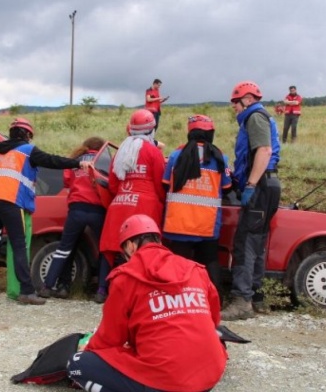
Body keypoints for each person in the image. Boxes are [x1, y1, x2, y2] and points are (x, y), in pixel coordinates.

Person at [67, 214, 227, 392]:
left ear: (130, 245)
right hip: (208, 377)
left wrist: (88, 349)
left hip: (168, 381)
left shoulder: (126, 277)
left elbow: (110, 338)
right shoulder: (195, 269)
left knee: (77, 364)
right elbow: (213, 319)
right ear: (158, 240)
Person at [0, 118, 91, 305]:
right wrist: (77, 164)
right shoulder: (27, 150)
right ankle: (27, 291)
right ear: (28, 135)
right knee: (19, 245)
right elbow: (52, 160)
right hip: (9, 201)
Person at [221, 81, 282, 321]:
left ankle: (241, 301)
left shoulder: (255, 117)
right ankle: (255, 297)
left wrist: (250, 184)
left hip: (261, 185)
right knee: (257, 243)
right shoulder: (259, 116)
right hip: (268, 185)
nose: (234, 107)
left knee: (245, 243)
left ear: (246, 99)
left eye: (235, 103)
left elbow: (264, 151)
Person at [162, 115, 232, 302]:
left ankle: (175, 301)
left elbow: (164, 183)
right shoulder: (220, 158)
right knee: (209, 262)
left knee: (178, 264)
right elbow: (227, 187)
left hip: (179, 223)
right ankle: (213, 301)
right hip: (207, 224)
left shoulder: (176, 156)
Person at [99, 109, 166, 290]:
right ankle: (140, 288)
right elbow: (160, 184)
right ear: (152, 129)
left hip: (119, 204)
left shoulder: (121, 151)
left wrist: (123, 195)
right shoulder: (153, 152)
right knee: (145, 248)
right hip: (146, 205)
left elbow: (112, 184)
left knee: (112, 245)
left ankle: (102, 289)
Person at [38, 136, 107, 300]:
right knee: (105, 250)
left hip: (76, 210)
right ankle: (101, 291)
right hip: (97, 211)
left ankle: (50, 287)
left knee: (65, 249)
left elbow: (67, 182)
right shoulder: (103, 161)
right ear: (101, 148)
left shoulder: (75, 161)